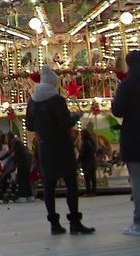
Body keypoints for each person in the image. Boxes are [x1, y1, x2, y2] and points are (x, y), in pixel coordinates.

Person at [25, 64, 95, 235]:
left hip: (45, 148)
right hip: (62, 146)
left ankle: (54, 224)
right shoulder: (57, 100)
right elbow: (64, 123)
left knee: (49, 186)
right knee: (71, 184)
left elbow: (29, 125)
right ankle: (75, 222)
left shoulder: (32, 101)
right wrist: (76, 117)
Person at [111, 50, 140, 236]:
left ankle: (138, 224)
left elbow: (118, 111)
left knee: (137, 182)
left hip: (133, 138)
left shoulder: (126, 85)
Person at [78, 129, 97, 197]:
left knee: (87, 177)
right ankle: (94, 191)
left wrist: (78, 162)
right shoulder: (91, 142)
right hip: (92, 161)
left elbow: (82, 154)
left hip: (86, 162)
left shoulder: (85, 143)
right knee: (93, 177)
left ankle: (88, 192)